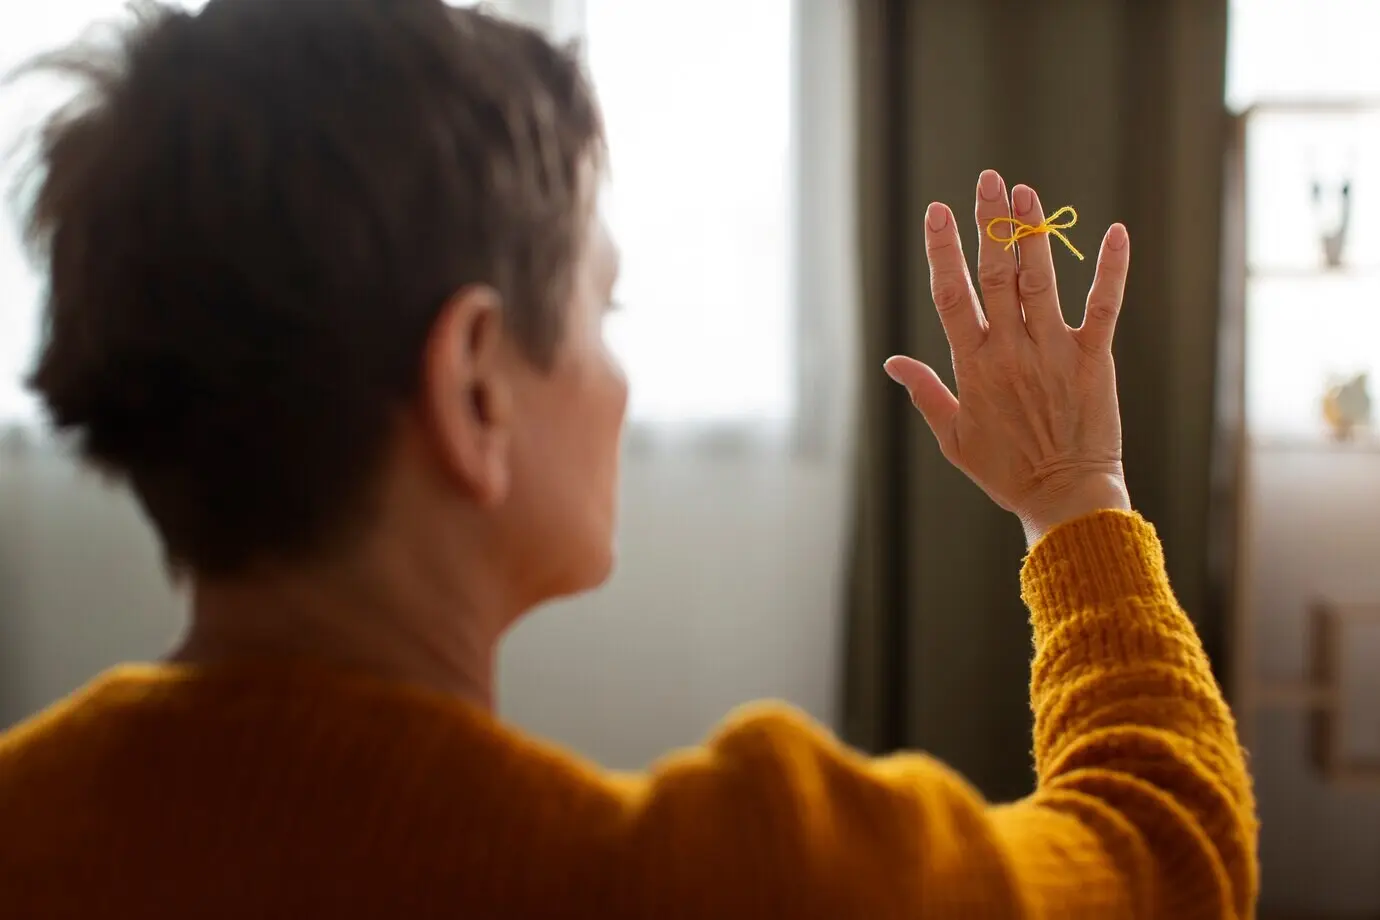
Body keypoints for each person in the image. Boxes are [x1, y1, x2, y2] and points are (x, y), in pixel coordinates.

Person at [0, 1, 1256, 917]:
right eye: (607, 312)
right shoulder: (745, 877)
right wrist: (1073, 496)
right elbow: (1172, 853)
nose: (618, 378)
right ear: (474, 382)